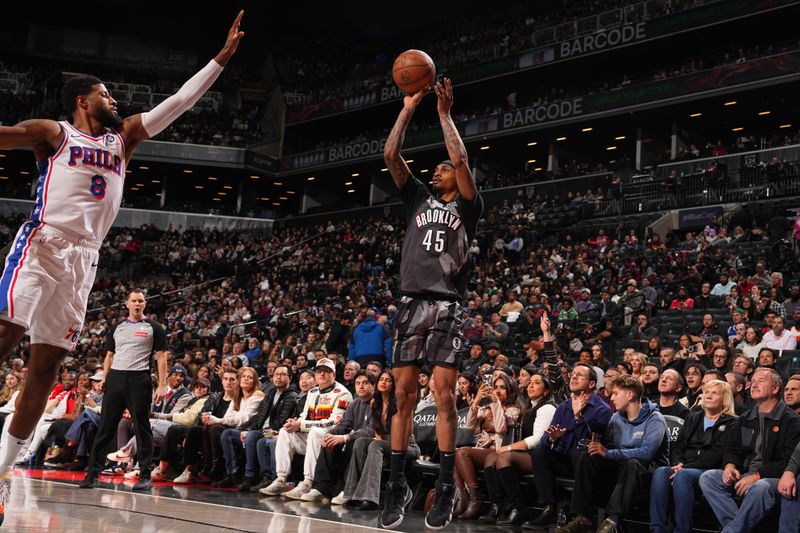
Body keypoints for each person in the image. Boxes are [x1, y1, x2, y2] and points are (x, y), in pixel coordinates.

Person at [0, 11, 244, 519]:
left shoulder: (124, 138)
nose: (116, 102)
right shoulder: (56, 131)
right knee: (4, 339)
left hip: (84, 261)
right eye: (108, 95)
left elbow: (178, 103)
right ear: (83, 100)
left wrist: (220, 60)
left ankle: (1, 472)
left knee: (45, 367)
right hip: (44, 245)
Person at [381, 76, 483, 530]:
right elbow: (390, 156)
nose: (437, 171)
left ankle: (445, 487)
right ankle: (396, 482)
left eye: (441, 169)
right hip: (409, 303)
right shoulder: (417, 197)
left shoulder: (467, 206)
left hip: (446, 305)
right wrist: (407, 108)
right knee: (402, 396)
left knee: (443, 396)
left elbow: (460, 158)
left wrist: (443, 114)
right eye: (437, 169)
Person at [78, 290, 167, 491]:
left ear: (145, 304)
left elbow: (161, 357)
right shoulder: (117, 327)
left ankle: (145, 475)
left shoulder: (154, 328)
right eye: (134, 301)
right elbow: (109, 355)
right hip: (116, 379)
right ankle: (92, 474)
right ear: (127, 304)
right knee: (106, 427)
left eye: (141, 301)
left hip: (139, 379)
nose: (138, 304)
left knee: (142, 427)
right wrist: (104, 379)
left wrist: (162, 384)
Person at [558, 375, 669, 533]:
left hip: (647, 470)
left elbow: (646, 453)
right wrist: (580, 419)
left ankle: (612, 521)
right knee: (589, 457)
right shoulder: (616, 417)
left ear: (629, 395)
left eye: (616, 393)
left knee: (633, 463)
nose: (611, 397)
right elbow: (608, 446)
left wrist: (608, 453)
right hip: (621, 467)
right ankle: (583, 518)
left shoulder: (655, 419)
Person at [699, 368, 800, 532]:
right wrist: (730, 466)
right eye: (752, 381)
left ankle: (732, 530)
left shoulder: (792, 420)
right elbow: (732, 447)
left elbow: (787, 461)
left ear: (775, 389)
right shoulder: (746, 417)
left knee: (760, 487)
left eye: (761, 381)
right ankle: (738, 527)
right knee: (709, 478)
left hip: (773, 478)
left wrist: (757, 476)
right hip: (746, 475)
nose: (754, 384)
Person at [523, 363, 612, 529]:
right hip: (565, 461)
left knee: (582, 454)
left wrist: (578, 417)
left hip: (587, 465)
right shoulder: (563, 407)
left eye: (580, 375)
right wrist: (552, 439)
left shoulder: (602, 410)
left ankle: (580, 516)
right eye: (573, 374)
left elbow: (589, 444)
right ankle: (549, 508)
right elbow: (544, 440)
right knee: (539, 450)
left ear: (592, 384)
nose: (573, 377)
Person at [650, 380, 738, 533]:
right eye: (707, 392)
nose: (708, 396)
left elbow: (717, 454)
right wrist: (679, 463)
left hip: (709, 470)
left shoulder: (732, 422)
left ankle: (682, 530)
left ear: (725, 398)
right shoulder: (693, 417)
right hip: (684, 467)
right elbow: (679, 446)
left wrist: (684, 468)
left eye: (714, 393)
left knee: (683, 475)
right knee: (661, 472)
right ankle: (657, 529)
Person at [260, 357, 353, 498]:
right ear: (315, 375)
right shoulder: (312, 392)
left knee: (315, 432)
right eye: (319, 371)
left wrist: (302, 425)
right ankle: (281, 479)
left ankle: (308, 482)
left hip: (332, 441)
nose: (322, 374)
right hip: (313, 438)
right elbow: (305, 415)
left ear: (333, 374)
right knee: (285, 431)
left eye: (326, 372)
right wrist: (295, 423)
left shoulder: (343, 393)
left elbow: (335, 424)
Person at [480, 371, 556, 525]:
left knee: (504, 457)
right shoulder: (529, 407)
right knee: (490, 457)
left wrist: (508, 448)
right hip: (526, 453)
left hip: (542, 457)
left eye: (536, 382)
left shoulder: (547, 408)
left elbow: (537, 440)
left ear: (546, 390)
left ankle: (517, 507)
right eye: (530, 383)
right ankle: (497, 505)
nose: (531, 385)